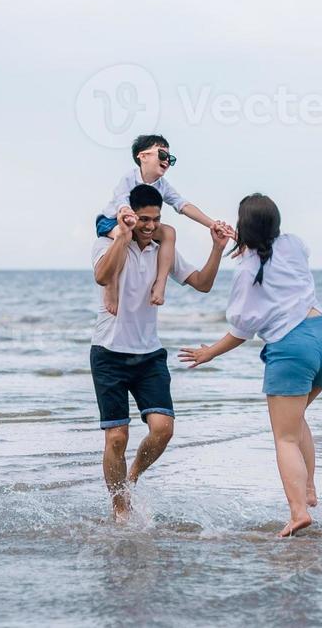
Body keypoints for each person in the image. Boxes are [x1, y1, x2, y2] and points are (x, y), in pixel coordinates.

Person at [179, 193, 322, 537]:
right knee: (295, 422)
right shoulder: (293, 245)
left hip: (293, 347)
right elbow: (277, 250)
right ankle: (308, 489)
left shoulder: (248, 270)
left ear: (241, 227)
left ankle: (298, 512)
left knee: (284, 437)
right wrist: (251, 244)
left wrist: (209, 353)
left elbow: (242, 329)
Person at [91, 182, 231, 520]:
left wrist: (216, 249)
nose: (150, 226)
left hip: (149, 355)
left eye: (155, 219)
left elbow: (202, 283)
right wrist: (123, 238)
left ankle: (132, 478)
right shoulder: (106, 242)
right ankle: (119, 506)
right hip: (109, 352)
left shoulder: (161, 250)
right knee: (116, 438)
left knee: (163, 429)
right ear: (129, 216)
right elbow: (101, 275)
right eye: (143, 219)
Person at [93, 134, 232, 316]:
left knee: (169, 232)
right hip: (113, 221)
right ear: (143, 156)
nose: (167, 161)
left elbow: (183, 205)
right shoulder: (129, 178)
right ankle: (111, 288)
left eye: (170, 158)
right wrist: (127, 214)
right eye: (162, 155)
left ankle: (160, 283)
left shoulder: (162, 185)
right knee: (124, 236)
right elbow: (121, 199)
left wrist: (212, 224)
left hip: (136, 223)